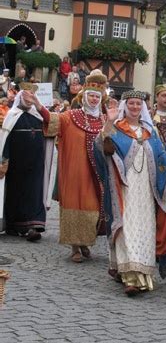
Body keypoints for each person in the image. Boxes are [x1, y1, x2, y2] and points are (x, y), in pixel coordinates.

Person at [95, 90, 166, 296]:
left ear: (143, 107)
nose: (135, 107)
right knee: (126, 225)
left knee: (145, 228)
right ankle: (131, 276)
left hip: (146, 189)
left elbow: (161, 156)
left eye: (138, 104)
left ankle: (140, 271)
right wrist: (109, 124)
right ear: (125, 106)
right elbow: (102, 149)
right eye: (132, 104)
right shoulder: (116, 128)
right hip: (124, 187)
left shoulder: (150, 131)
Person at [32, 70, 108, 263]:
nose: (93, 99)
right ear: (84, 97)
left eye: (96, 96)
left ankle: (85, 242)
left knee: (92, 207)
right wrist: (38, 105)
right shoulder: (71, 116)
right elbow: (52, 119)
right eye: (90, 95)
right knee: (74, 206)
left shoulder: (104, 121)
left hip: (95, 174)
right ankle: (75, 246)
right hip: (74, 172)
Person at [0, 84, 48, 241]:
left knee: (35, 193)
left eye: (31, 97)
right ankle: (14, 225)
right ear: (20, 97)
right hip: (17, 165)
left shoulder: (38, 117)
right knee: (16, 194)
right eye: (26, 97)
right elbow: (5, 140)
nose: (28, 100)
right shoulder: (12, 116)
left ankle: (34, 226)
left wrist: (38, 105)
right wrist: (4, 159)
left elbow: (51, 124)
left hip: (36, 164)